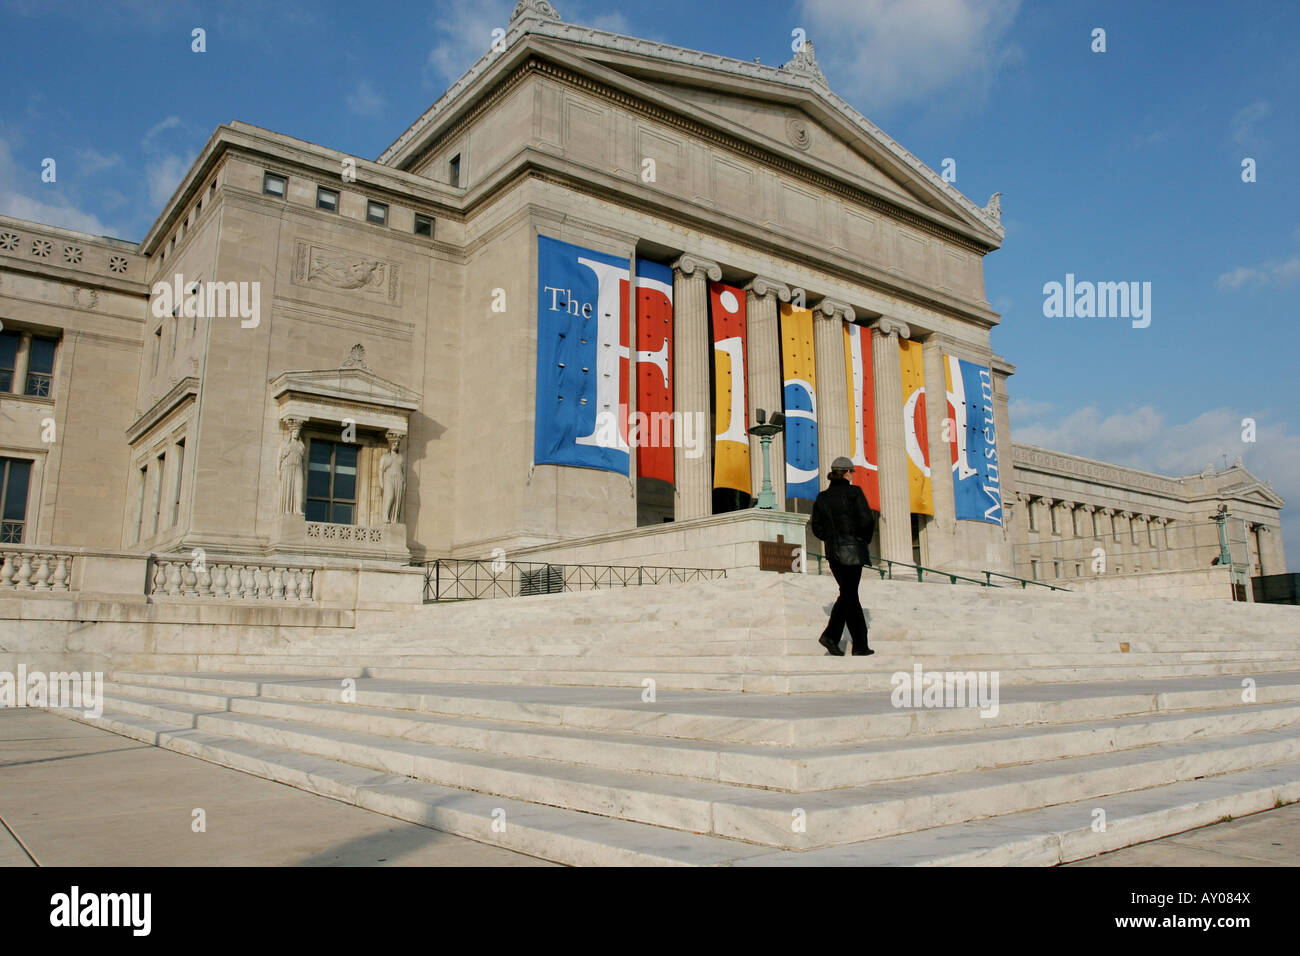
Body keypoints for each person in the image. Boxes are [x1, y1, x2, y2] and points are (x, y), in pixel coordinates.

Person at [809, 456, 876, 656]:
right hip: (853, 551)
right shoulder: (854, 492)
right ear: (847, 472)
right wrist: (861, 540)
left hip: (834, 552)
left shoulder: (822, 497)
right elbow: (866, 520)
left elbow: (816, 527)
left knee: (848, 594)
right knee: (849, 594)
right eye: (852, 472)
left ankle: (858, 644)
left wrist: (830, 539)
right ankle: (835, 637)